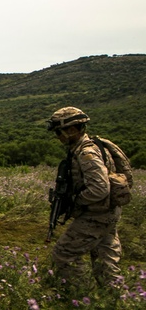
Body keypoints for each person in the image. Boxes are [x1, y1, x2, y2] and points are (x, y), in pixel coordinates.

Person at [46, 106, 122, 289]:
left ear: (72, 130)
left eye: (59, 132)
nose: (58, 137)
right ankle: (113, 304)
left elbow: (100, 188)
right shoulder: (92, 147)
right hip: (107, 213)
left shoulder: (87, 153)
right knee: (105, 260)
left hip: (95, 215)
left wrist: (75, 201)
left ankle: (83, 296)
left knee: (64, 254)